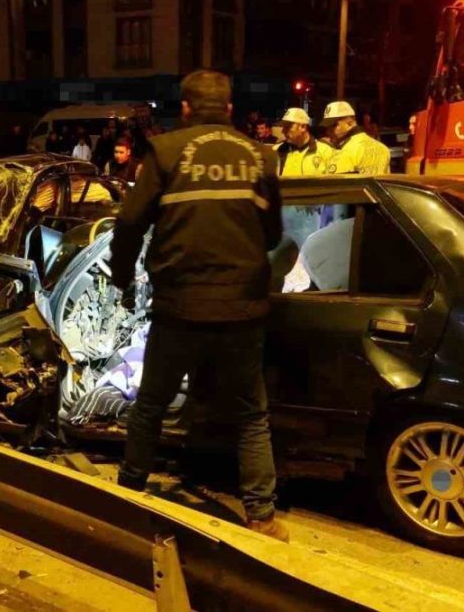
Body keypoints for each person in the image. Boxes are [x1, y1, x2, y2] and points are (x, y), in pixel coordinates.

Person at [109, 69, 289, 542]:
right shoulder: (261, 156)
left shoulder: (165, 152)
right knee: (251, 414)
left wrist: (123, 275)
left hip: (180, 308)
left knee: (150, 404)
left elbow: (129, 222)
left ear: (185, 108)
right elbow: (274, 234)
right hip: (242, 309)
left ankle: (128, 492)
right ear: (229, 110)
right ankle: (262, 516)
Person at [321, 101, 391, 175]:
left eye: (333, 125)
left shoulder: (344, 152)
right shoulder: (383, 148)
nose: (328, 131)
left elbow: (337, 185)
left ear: (349, 122)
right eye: (327, 127)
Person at [275, 108, 332, 178]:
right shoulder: (278, 150)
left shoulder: (325, 150)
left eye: (288, 127)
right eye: (283, 127)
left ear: (303, 127)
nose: (283, 131)